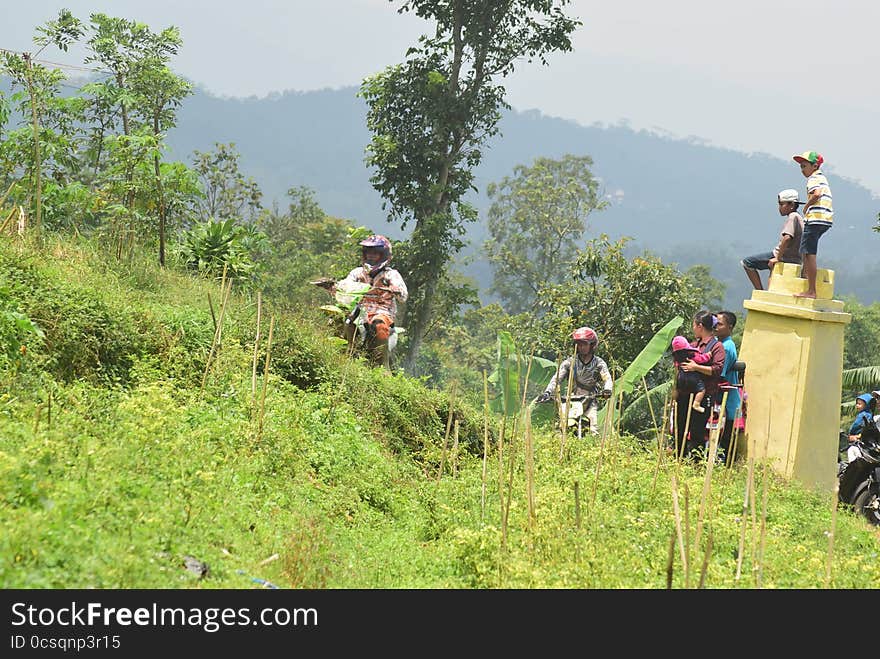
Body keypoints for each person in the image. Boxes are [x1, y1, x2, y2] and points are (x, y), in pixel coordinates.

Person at [331, 234, 408, 369]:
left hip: (383, 311)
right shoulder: (357, 273)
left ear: (383, 255)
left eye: (375, 253)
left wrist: (395, 289)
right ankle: (344, 354)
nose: (370, 256)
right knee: (341, 319)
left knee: (379, 325)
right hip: (361, 308)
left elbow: (403, 296)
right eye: (368, 252)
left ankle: (384, 366)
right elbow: (345, 285)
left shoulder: (390, 274)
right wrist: (332, 286)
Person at [537, 327, 613, 436]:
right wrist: (548, 392)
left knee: (593, 429)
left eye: (584, 344)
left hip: (590, 400)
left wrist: (607, 390)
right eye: (579, 344)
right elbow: (556, 379)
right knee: (561, 427)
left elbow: (607, 379)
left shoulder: (599, 363)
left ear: (592, 345)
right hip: (571, 400)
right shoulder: (569, 362)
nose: (581, 347)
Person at [672, 310, 726, 460]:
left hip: (703, 395)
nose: (693, 328)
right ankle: (678, 460)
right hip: (684, 395)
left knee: (697, 432)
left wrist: (696, 367)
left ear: (700, 326)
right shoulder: (693, 345)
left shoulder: (717, 347)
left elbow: (717, 370)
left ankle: (696, 464)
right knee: (680, 429)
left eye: (694, 325)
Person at [741, 189, 804, 290]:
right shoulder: (800, 218)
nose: (779, 207)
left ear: (791, 205)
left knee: (747, 263)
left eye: (781, 204)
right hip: (795, 258)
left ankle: (759, 291)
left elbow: (787, 238)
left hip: (783, 256)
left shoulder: (793, 217)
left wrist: (777, 257)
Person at [792, 151, 833, 299]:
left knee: (808, 253)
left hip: (815, 218)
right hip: (825, 219)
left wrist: (806, 206)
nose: (802, 169)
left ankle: (811, 291)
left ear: (814, 166)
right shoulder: (822, 178)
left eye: (804, 166)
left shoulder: (813, 179)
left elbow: (816, 194)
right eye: (801, 166)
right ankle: (809, 285)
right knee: (808, 252)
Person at [714, 310, 741, 464]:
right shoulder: (722, 344)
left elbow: (719, 375)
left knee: (724, 445)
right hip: (726, 404)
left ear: (729, 327)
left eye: (720, 324)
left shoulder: (725, 347)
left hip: (726, 404)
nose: (716, 326)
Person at [671, 335, 711, 413]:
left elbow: (676, 367)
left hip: (681, 377)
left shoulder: (677, 359)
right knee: (701, 390)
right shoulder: (691, 355)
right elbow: (701, 359)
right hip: (692, 377)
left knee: (676, 389)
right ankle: (696, 403)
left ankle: (673, 401)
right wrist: (708, 355)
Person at [843, 393, 876, 463]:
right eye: (857, 404)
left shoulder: (863, 415)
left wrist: (851, 433)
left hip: (859, 438)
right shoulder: (870, 414)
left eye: (859, 404)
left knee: (851, 451)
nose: (857, 406)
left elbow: (856, 425)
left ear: (866, 405)